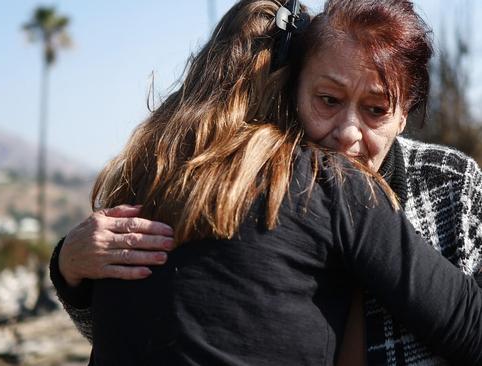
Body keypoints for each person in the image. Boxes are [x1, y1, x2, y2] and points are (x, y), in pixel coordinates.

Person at [50, 0, 482, 364]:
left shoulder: (447, 184)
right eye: (328, 101)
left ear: (405, 113)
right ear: (291, 89)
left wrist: (66, 269)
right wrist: (69, 266)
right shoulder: (318, 181)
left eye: (376, 110)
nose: (349, 131)